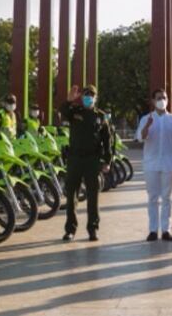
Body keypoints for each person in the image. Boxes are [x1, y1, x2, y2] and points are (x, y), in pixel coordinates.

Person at [60, 84, 112, 242]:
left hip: (92, 160)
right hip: (75, 158)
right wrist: (68, 101)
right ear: (81, 97)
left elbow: (107, 141)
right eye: (85, 94)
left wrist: (107, 161)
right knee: (71, 195)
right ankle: (70, 230)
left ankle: (93, 229)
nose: (88, 97)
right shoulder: (75, 112)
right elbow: (63, 113)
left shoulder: (101, 116)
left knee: (93, 196)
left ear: (96, 98)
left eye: (91, 94)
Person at [136, 89, 172, 242]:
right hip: (151, 164)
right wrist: (147, 126)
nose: (162, 100)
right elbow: (140, 138)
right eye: (158, 98)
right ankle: (152, 230)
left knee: (167, 198)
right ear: (152, 101)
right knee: (152, 198)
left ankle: (166, 230)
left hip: (168, 164)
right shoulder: (146, 119)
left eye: (164, 97)